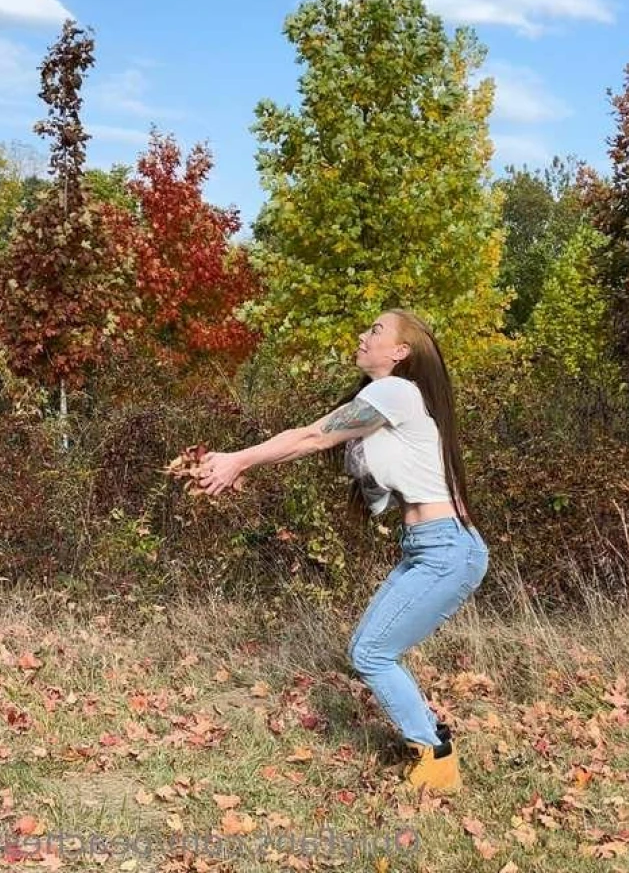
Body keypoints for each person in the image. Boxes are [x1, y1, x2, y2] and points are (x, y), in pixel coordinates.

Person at [196, 309, 490, 792]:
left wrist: (239, 460)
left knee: (372, 651)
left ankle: (436, 760)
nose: (362, 335)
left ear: (401, 352)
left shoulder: (397, 391)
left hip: (446, 550)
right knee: (369, 648)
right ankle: (429, 737)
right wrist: (242, 466)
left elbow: (311, 437)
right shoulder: (384, 405)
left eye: (376, 330)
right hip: (427, 546)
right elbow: (312, 440)